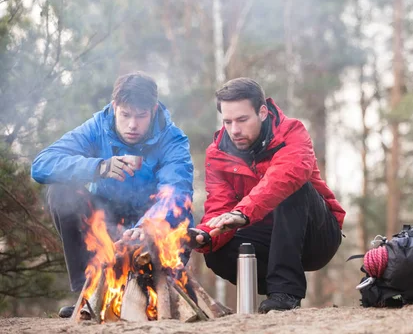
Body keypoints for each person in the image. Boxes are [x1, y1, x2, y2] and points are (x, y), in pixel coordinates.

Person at [31, 71, 194, 318]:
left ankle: (152, 295)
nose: (132, 125)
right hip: (106, 219)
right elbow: (41, 165)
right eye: (126, 115)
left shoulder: (172, 139)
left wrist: (150, 224)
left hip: (152, 222)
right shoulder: (97, 126)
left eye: (141, 116)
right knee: (60, 192)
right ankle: (87, 293)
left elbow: (177, 192)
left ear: (153, 109)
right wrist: (97, 167)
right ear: (115, 106)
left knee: (180, 218)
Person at [193, 77, 345, 313]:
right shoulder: (217, 153)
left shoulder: (292, 132)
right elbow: (219, 204)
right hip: (269, 237)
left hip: (317, 235)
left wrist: (243, 212)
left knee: (293, 187)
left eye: (242, 120)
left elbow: (284, 177)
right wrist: (205, 234)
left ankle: (286, 292)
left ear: (262, 112)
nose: (234, 130)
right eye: (228, 121)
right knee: (217, 251)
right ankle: (276, 289)